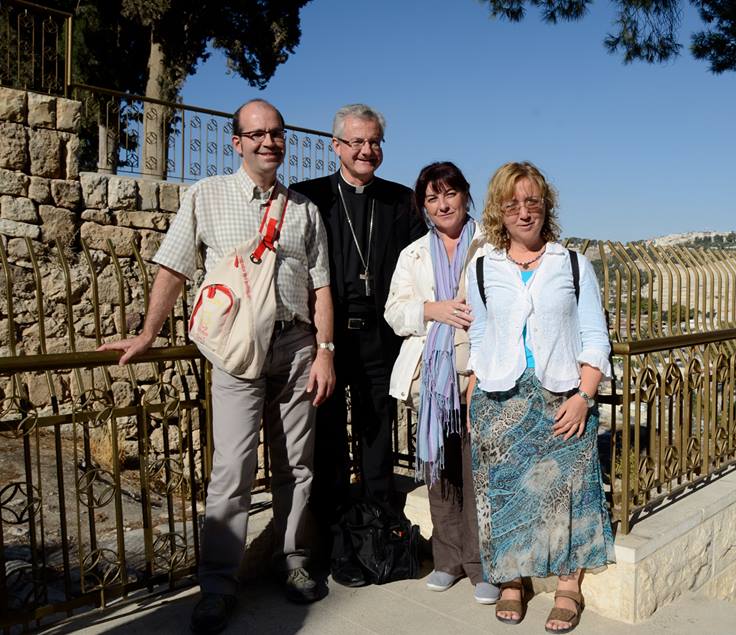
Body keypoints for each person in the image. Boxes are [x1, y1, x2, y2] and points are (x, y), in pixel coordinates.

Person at [99, 99, 335, 633]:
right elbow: (174, 266)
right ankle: (218, 584)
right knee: (231, 469)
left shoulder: (303, 210)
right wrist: (149, 331)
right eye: (256, 134)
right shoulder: (206, 196)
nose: (268, 142)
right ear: (237, 143)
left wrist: (326, 350)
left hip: (297, 346)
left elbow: (322, 286)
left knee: (298, 465)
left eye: (276, 133)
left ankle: (294, 562)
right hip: (235, 351)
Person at [465, 162, 615, 633]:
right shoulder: (484, 267)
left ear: (546, 205)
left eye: (532, 201)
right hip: (499, 399)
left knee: (568, 494)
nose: (524, 212)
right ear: (499, 210)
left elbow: (594, 336)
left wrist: (584, 397)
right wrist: (472, 396)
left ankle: (569, 586)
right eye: (513, 203)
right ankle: (512, 581)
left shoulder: (572, 264)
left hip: (561, 397)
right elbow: (480, 333)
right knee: (503, 491)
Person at [290, 104, 427, 586]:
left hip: (380, 337)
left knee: (376, 439)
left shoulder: (402, 202)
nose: (367, 150)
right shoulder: (308, 197)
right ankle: (333, 542)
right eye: (357, 142)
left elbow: (421, 266)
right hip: (327, 338)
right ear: (336, 146)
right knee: (327, 442)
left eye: (374, 142)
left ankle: (378, 535)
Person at [383, 162, 497, 605]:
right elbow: (395, 313)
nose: (442, 204)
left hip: (478, 372)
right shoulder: (413, 254)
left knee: (476, 472)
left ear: (465, 196)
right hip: (430, 381)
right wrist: (434, 309)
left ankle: (480, 564)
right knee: (439, 470)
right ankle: (447, 559)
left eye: (449, 193)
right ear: (423, 207)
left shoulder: (490, 246)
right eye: (432, 198)